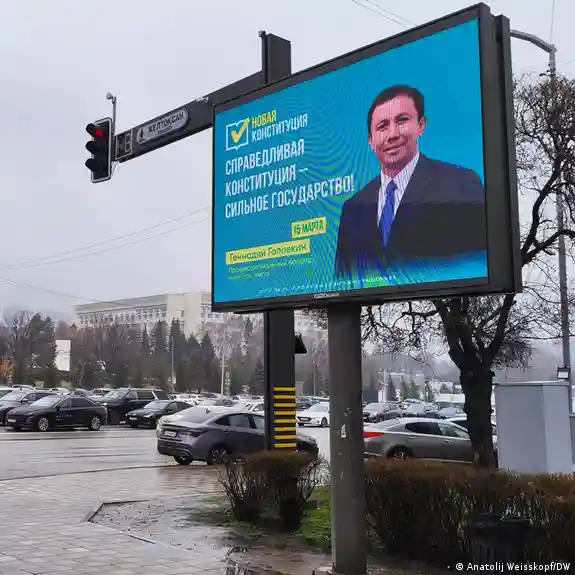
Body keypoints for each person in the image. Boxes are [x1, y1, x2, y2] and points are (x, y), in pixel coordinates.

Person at [334, 85, 486, 280]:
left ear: (421, 125)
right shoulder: (353, 208)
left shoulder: (461, 185)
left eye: (402, 120)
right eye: (382, 126)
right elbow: (343, 282)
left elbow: (479, 266)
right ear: (370, 141)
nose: (392, 134)